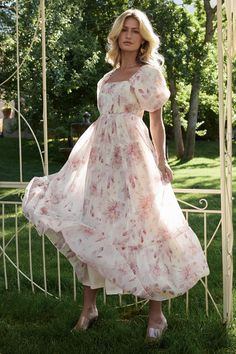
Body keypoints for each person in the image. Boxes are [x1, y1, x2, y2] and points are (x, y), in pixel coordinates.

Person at [22, 9, 210, 342]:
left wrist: (162, 161)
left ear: (143, 39)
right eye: (124, 29)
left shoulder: (148, 74)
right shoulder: (107, 78)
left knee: (145, 227)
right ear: (116, 35)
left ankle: (157, 314)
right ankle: (89, 308)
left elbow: (155, 122)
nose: (128, 35)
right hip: (100, 161)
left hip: (133, 159)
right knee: (93, 226)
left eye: (135, 31)